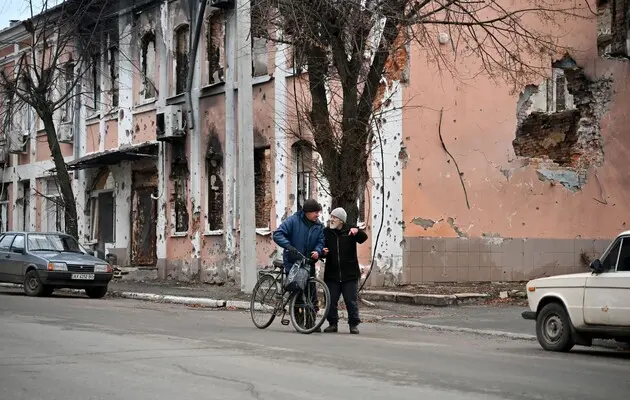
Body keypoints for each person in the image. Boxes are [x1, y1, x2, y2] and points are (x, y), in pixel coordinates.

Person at [272, 199, 326, 330]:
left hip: (308, 262)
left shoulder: (319, 226)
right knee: (297, 290)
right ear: (306, 212)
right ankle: (299, 320)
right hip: (293, 261)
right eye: (315, 212)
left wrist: (317, 251)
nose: (317, 215)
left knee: (311, 292)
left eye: (318, 212)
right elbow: (278, 234)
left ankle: (312, 323)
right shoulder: (293, 221)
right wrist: (289, 246)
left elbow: (321, 242)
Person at [321, 207, 368, 334]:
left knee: (351, 301)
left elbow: (363, 238)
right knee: (331, 300)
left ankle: (353, 324)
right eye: (331, 216)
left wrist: (357, 231)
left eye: (334, 217)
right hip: (332, 273)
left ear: (341, 220)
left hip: (349, 273)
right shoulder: (326, 232)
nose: (331, 219)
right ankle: (332, 324)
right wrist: (322, 253)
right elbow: (321, 248)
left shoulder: (350, 230)